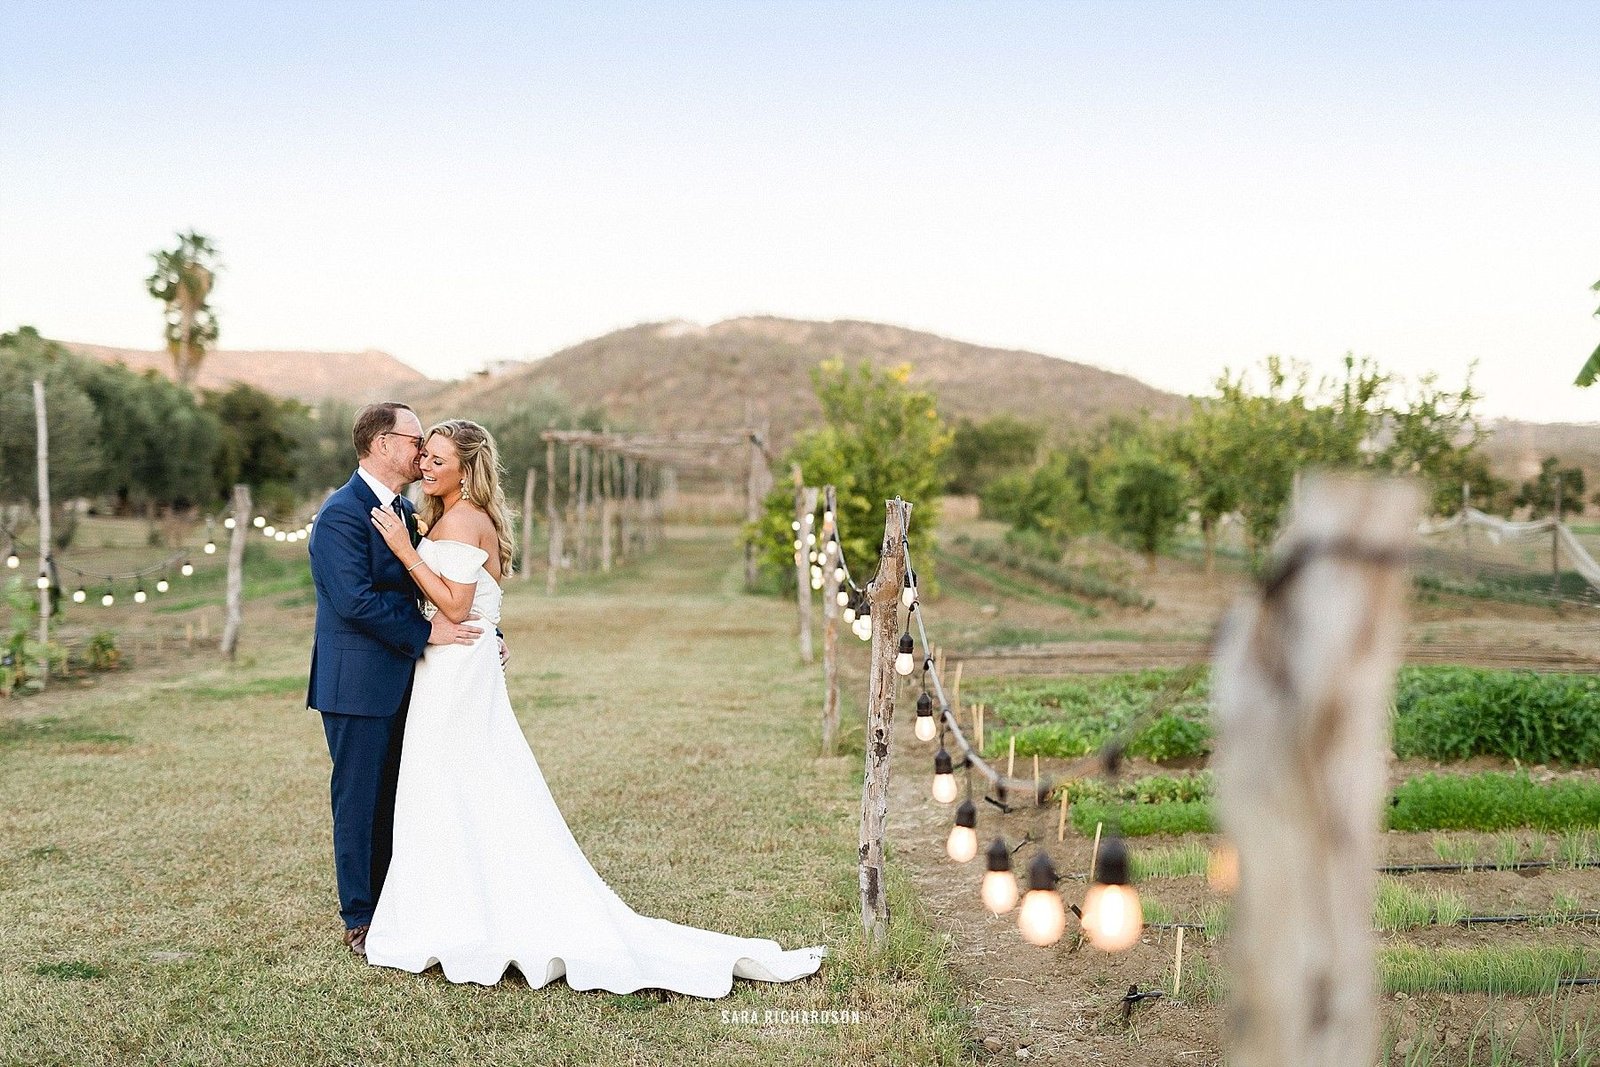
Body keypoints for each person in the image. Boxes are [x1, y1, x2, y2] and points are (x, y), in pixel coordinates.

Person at [362, 419, 827, 997]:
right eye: (424, 456)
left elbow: (456, 606)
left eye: (437, 459)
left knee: (454, 779)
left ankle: (459, 914)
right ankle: (456, 903)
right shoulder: (457, 516)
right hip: (457, 667)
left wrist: (406, 552)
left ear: (467, 467)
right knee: (462, 780)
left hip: (455, 669)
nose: (426, 466)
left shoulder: (460, 519)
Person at [306, 402, 484, 957]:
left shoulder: (404, 512)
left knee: (397, 799)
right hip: (356, 685)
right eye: (414, 441)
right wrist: (427, 635)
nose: (421, 453)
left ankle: (396, 906)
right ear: (383, 444)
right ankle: (360, 918)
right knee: (358, 801)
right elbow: (354, 601)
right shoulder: (340, 513)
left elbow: (425, 588)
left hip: (407, 681)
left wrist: (482, 630)